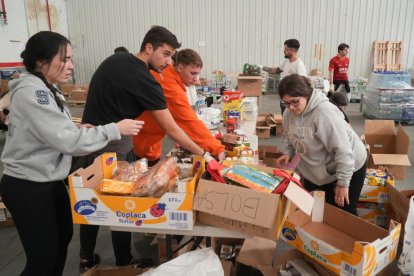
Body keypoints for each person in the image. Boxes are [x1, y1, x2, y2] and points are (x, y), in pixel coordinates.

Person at [0, 31, 142, 276]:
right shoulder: (34, 93)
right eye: (64, 59)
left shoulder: (47, 89)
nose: (71, 66)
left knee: (60, 243)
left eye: (71, 59)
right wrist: (114, 129)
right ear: (41, 62)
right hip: (28, 184)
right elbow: (67, 142)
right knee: (42, 260)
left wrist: (76, 127)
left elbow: (50, 129)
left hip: (48, 179)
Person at [74, 26, 204, 270]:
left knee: (90, 198)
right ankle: (124, 260)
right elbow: (173, 128)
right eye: (165, 54)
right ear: (148, 48)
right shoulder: (145, 79)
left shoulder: (116, 59)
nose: (168, 61)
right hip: (114, 143)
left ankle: (85, 256)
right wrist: (202, 152)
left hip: (87, 137)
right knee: (120, 200)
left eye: (171, 56)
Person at [275, 74, 366, 216]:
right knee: (315, 209)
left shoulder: (324, 113)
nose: (291, 107)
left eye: (295, 102)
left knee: (342, 213)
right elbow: (289, 135)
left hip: (349, 164)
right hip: (318, 168)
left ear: (306, 95)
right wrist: (288, 152)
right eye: (286, 103)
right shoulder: (288, 113)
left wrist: (343, 183)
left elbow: (343, 151)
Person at [133, 49, 225, 163]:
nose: (196, 78)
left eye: (197, 74)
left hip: (150, 138)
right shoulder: (170, 87)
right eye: (193, 73)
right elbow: (189, 122)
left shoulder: (169, 75)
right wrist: (217, 148)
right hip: (143, 143)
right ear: (180, 68)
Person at [262, 39, 307, 114]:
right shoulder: (286, 62)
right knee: (284, 117)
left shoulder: (299, 65)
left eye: (286, 49)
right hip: (284, 98)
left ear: (292, 50)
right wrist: (262, 68)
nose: (284, 50)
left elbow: (303, 83)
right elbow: (275, 70)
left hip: (292, 101)